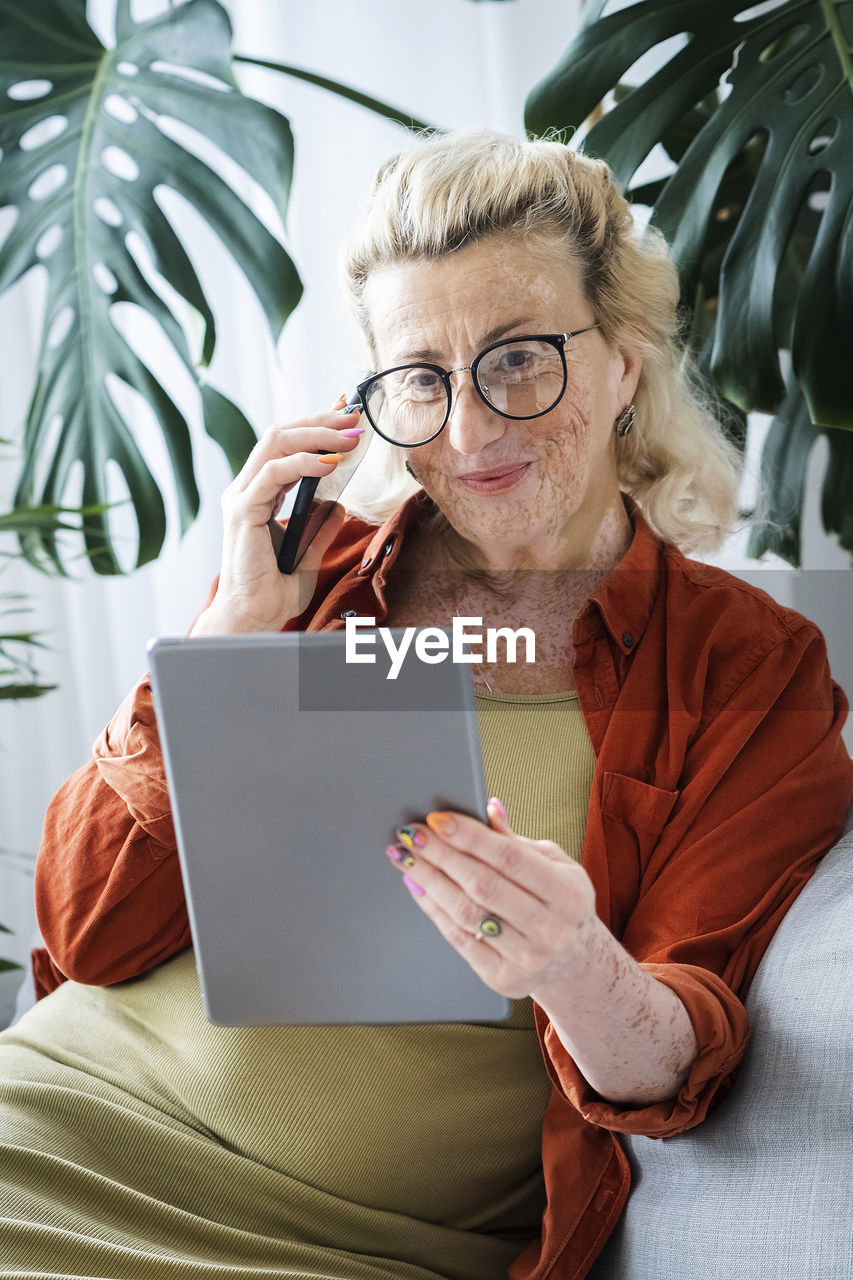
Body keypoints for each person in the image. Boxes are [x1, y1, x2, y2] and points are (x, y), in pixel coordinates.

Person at [2, 129, 852, 1280]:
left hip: (333, 1240)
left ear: (622, 364)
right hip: (54, 1121)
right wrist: (226, 638)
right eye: (421, 377)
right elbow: (84, 929)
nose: (466, 429)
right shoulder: (312, 573)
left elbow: (672, 1061)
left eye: (517, 360)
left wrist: (572, 959)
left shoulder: (744, 666)